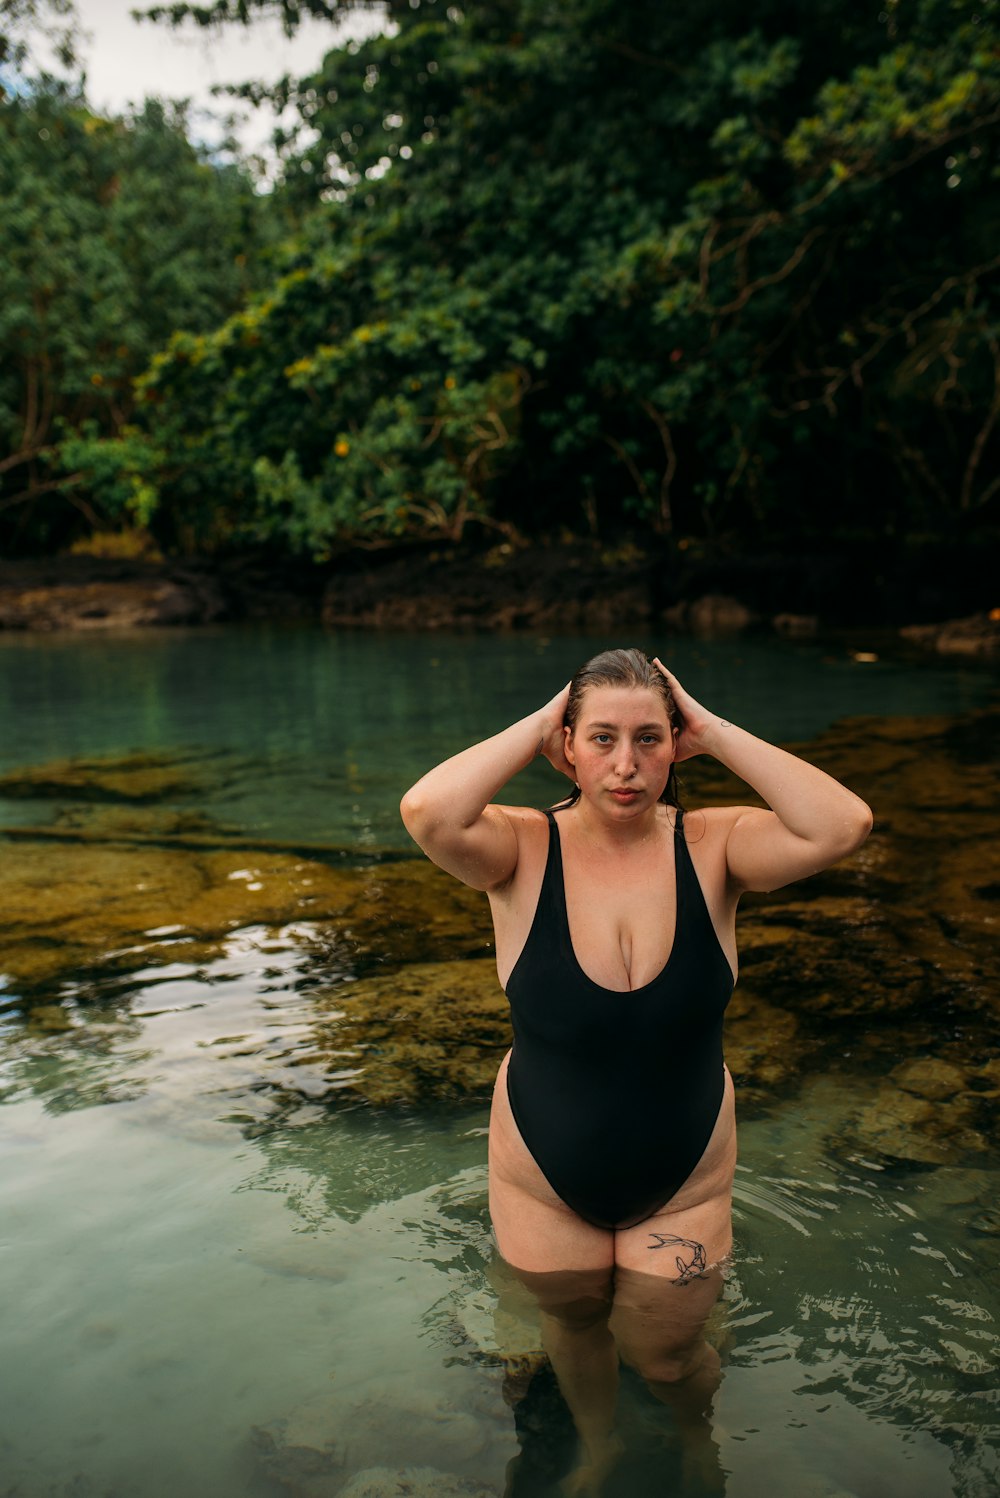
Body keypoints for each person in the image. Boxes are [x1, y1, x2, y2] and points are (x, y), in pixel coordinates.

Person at [400, 647, 872, 1491]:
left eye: (651, 739)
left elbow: (841, 826)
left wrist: (716, 732)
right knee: (574, 1324)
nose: (626, 765)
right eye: (603, 739)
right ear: (567, 746)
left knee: (663, 1353)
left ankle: (695, 1436)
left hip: (681, 1178)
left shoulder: (716, 846)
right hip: (542, 1174)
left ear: (676, 742)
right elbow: (428, 810)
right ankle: (600, 1445)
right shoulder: (517, 849)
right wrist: (539, 723)